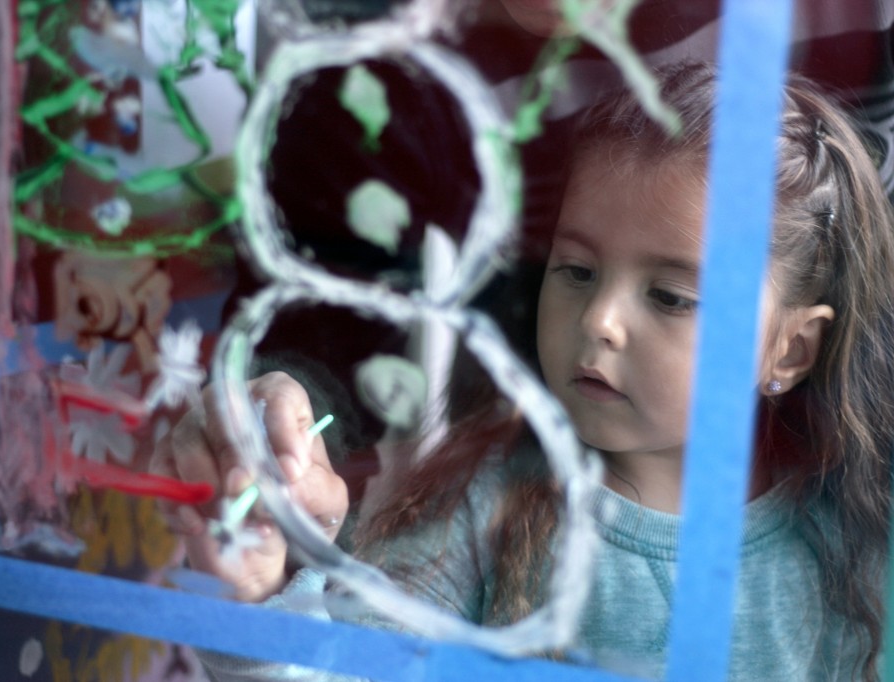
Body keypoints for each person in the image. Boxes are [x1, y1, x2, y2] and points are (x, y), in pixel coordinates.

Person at [152, 62, 894, 680]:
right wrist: (250, 605)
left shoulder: (857, 550)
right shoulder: (481, 506)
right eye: (574, 270)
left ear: (790, 351)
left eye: (670, 296)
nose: (600, 319)